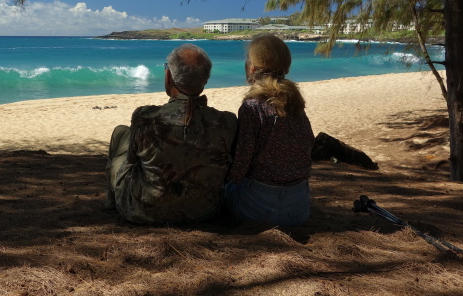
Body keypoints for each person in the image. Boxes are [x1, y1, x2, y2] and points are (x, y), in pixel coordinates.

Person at [106, 44, 238, 224]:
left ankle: (111, 203)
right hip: (204, 212)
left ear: (168, 77)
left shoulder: (144, 116)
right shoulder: (227, 122)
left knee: (120, 133)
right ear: (206, 80)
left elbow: (130, 162)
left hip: (145, 211)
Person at [225, 33, 315, 226]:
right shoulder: (295, 103)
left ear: (252, 68)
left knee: (225, 188)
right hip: (298, 208)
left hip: (258, 206)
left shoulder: (252, 106)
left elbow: (241, 163)